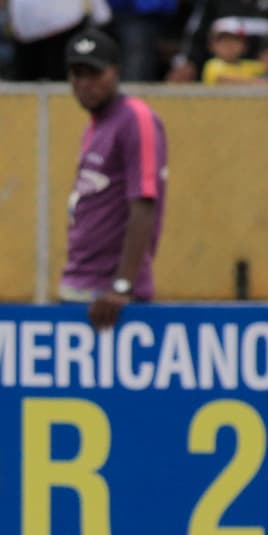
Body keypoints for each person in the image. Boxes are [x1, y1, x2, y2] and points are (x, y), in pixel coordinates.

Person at [59, 27, 167, 331]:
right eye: (77, 74)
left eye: (94, 73)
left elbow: (144, 204)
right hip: (78, 285)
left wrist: (122, 286)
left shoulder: (135, 119)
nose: (85, 84)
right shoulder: (95, 126)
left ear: (116, 72)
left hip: (111, 299)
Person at [201, 15, 266, 83]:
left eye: (235, 40)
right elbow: (222, 79)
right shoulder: (212, 65)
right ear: (211, 46)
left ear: (245, 45)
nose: (229, 45)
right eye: (223, 41)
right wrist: (257, 81)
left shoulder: (256, 66)